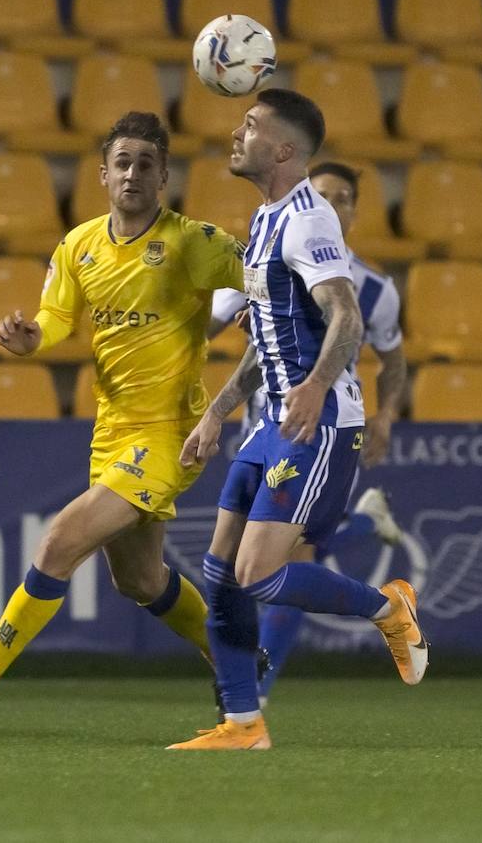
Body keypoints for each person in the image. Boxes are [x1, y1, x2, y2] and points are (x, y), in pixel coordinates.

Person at [0, 112, 247, 726]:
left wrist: (263, 314)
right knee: (141, 580)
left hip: (171, 432)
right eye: (122, 163)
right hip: (114, 431)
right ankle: (234, 660)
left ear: (164, 176)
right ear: (103, 175)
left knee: (60, 541)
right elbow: (59, 317)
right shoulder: (79, 245)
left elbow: (261, 275)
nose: (132, 174)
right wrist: (33, 337)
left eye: (146, 164)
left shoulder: (194, 242)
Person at [166, 89, 427, 751]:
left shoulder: (309, 221)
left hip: (317, 424)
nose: (236, 133)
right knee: (220, 573)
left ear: (282, 149)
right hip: (268, 426)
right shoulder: (263, 221)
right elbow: (268, 343)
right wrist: (219, 413)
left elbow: (347, 314)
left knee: (256, 576)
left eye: (250, 126)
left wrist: (312, 387)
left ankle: (388, 607)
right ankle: (244, 725)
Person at [205, 161, 409, 704]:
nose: (333, 206)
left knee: (283, 564)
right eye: (324, 195)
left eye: (345, 198)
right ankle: (368, 523)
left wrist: (385, 415)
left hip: (316, 429)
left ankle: (254, 696)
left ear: (355, 211)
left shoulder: (373, 291)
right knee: (237, 563)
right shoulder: (268, 254)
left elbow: (393, 359)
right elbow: (207, 323)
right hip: (261, 427)